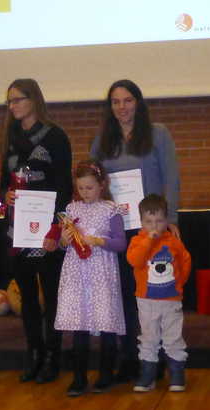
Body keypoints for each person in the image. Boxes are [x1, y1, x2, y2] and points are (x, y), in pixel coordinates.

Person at [90, 79, 180, 383]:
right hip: (118, 232)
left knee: (155, 296)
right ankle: (129, 358)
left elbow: (172, 178)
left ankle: (160, 360)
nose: (122, 107)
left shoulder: (158, 134)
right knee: (125, 297)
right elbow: (94, 184)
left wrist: (172, 219)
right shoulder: (102, 141)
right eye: (115, 102)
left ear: (138, 103)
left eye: (127, 100)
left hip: (151, 231)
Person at [0, 78, 73, 384]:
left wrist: (55, 228)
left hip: (46, 230)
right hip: (18, 229)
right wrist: (6, 194)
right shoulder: (10, 136)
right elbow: (3, 181)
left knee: (51, 296)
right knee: (27, 297)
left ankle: (53, 357)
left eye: (18, 99)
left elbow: (64, 185)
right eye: (9, 101)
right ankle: (34, 355)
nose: (13, 106)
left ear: (33, 100)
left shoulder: (55, 136)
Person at [50, 160, 127, 396]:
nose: (85, 192)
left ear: (102, 185)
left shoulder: (111, 209)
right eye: (81, 188)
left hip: (102, 272)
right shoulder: (71, 210)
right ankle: (79, 378)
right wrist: (63, 241)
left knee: (105, 322)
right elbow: (63, 243)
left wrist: (99, 241)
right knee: (79, 324)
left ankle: (106, 375)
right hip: (77, 273)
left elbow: (121, 243)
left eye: (90, 188)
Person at [127, 194, 191, 392]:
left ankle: (177, 374)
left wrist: (178, 284)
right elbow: (135, 260)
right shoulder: (138, 241)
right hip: (146, 300)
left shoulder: (173, 242)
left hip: (171, 299)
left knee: (173, 337)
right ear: (141, 222)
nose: (154, 226)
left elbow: (185, 262)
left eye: (159, 221)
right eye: (149, 221)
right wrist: (148, 241)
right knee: (149, 337)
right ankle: (148, 375)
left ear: (167, 220)